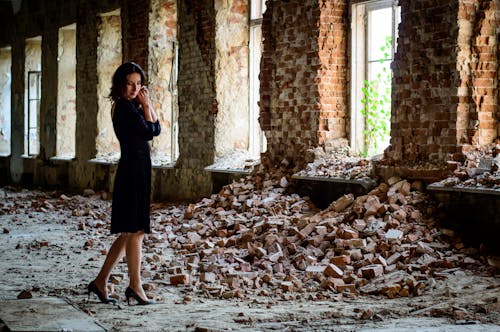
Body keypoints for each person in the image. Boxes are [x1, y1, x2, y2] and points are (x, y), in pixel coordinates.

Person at [87, 62, 161, 305]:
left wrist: (147, 106)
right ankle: (135, 286)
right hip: (132, 172)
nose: (134, 88)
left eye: (138, 84)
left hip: (137, 170)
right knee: (136, 231)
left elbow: (156, 128)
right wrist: (146, 106)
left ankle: (100, 281)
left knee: (129, 231)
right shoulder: (125, 108)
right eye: (130, 83)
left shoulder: (132, 106)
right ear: (120, 84)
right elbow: (150, 131)